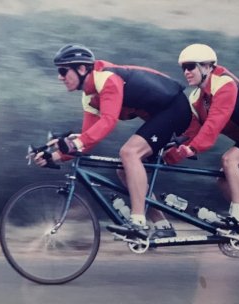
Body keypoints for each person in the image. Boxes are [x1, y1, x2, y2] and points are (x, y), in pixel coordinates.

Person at [33, 44, 191, 239]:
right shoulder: (89, 97)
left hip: (174, 109)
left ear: (82, 69)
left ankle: (138, 222)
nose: (60, 77)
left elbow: (108, 121)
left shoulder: (107, 79)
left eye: (63, 70)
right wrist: (54, 157)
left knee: (129, 153)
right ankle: (162, 225)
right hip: (158, 116)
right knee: (124, 169)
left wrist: (76, 143)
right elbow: (88, 138)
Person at [164, 43, 239, 226]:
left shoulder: (224, 83)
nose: (186, 72)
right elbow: (193, 131)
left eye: (190, 66)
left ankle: (236, 217)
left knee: (229, 160)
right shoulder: (196, 98)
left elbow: (215, 122)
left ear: (207, 66)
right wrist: (171, 154)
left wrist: (194, 148)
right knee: (223, 179)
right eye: (183, 68)